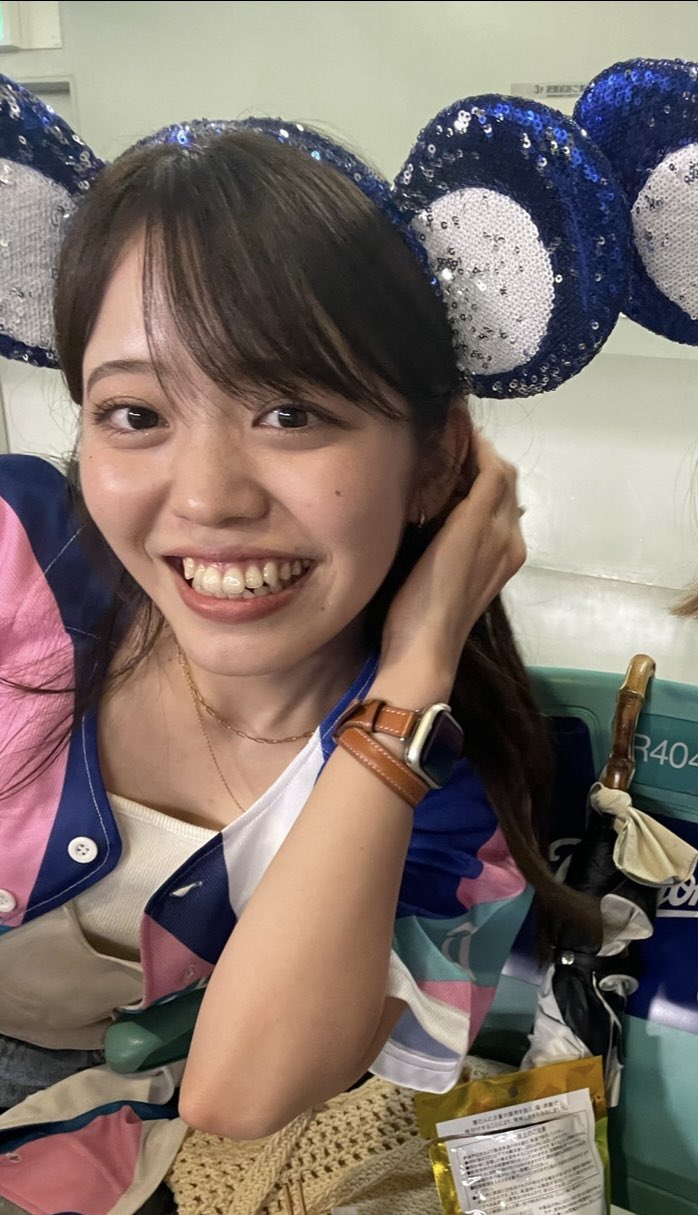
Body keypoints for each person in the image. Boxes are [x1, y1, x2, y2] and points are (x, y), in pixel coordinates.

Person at [0, 124, 595, 1214]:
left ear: (438, 461)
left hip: (111, 1151)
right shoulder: (16, 561)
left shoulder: (454, 802)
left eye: (291, 412)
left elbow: (242, 1092)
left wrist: (414, 672)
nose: (208, 497)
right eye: (135, 414)